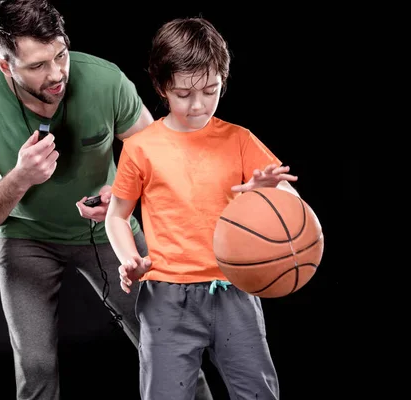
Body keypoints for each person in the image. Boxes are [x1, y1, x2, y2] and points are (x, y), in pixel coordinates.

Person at [0, 1, 214, 399]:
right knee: (35, 366)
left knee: (168, 344)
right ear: (5, 66)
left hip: (106, 229)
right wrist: (20, 178)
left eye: (61, 54)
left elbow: (162, 158)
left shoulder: (105, 81)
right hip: (26, 238)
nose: (57, 73)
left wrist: (126, 194)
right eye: (38, 65)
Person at [105, 17, 301, 400]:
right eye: (183, 94)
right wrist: (129, 258)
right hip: (166, 297)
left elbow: (292, 204)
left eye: (210, 91)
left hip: (234, 290)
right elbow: (116, 215)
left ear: (222, 82)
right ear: (162, 87)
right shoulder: (142, 147)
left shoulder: (240, 139)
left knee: (258, 393)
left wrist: (267, 193)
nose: (198, 105)